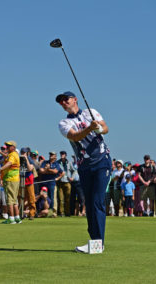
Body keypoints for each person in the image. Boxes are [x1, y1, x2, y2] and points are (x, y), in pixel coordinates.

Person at [56, 91, 112, 253]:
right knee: (89, 203)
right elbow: (75, 136)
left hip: (102, 161)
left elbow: (105, 128)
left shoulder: (90, 112)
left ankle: (98, 244)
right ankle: (94, 241)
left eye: (66, 99)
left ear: (75, 100)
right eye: (61, 102)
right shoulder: (63, 123)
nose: (63, 103)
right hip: (84, 166)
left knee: (97, 201)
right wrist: (90, 128)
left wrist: (98, 128)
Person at [0, 141, 21, 224]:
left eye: (8, 146)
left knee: (9, 200)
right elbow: (7, 157)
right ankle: (17, 218)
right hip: (14, 179)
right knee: (14, 200)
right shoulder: (13, 154)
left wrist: (0, 169)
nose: (7, 147)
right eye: (6, 146)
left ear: (13, 147)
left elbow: (9, 163)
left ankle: (11, 218)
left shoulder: (12, 155)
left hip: (10, 179)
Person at [39, 152, 63, 217]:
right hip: (44, 183)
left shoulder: (56, 164)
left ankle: (53, 212)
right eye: (50, 155)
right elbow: (41, 171)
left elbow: (56, 171)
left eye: (52, 155)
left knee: (52, 197)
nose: (50, 156)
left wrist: (47, 169)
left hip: (52, 183)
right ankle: (44, 211)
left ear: (55, 156)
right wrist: (49, 170)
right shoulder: (45, 162)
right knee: (44, 197)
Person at [19, 148, 36, 220]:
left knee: (31, 198)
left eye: (24, 152)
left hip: (28, 180)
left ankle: (32, 214)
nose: (23, 153)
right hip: (21, 180)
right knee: (21, 198)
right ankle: (20, 213)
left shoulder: (30, 159)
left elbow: (29, 169)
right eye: (22, 152)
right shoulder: (19, 159)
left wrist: (26, 159)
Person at [57, 151, 74, 217]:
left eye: (63, 154)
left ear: (66, 155)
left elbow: (74, 170)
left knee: (67, 199)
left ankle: (67, 212)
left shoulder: (69, 163)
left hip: (67, 182)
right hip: (60, 182)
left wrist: (72, 177)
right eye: (61, 154)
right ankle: (61, 212)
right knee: (61, 199)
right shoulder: (58, 162)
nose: (62, 155)